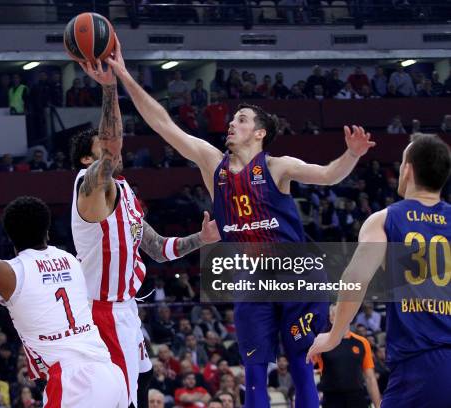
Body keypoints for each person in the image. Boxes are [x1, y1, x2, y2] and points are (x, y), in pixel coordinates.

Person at [105, 34, 375, 408]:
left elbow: (329, 175)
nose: (232, 123)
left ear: (260, 133)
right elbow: (163, 124)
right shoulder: (212, 165)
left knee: (299, 362)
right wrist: (123, 75)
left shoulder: (278, 166)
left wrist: (352, 154)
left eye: (242, 119)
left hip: (298, 273)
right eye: (233, 119)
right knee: (253, 371)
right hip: (253, 278)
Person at [71, 60, 221, 408]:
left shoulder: (125, 194)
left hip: (126, 308)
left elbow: (156, 249)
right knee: (120, 399)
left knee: (141, 385)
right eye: (102, 149)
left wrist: (202, 239)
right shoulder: (89, 186)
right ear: (85, 161)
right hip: (101, 309)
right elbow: (110, 149)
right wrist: (110, 88)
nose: (116, 151)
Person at [0, 196, 128, 407]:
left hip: (74, 383)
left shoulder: (7, 272)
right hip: (108, 372)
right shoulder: (69, 259)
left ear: (9, 236)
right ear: (47, 231)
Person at [307, 133, 451, 408]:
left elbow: (355, 278)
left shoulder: (386, 220)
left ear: (407, 169)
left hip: (420, 364)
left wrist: (335, 334)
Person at [313, 304, 381, 408]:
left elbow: (370, 378)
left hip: (357, 398)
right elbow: (310, 371)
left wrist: (378, 405)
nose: (343, 316)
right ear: (331, 318)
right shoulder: (321, 342)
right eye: (338, 314)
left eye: (345, 313)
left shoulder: (362, 342)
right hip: (331, 399)